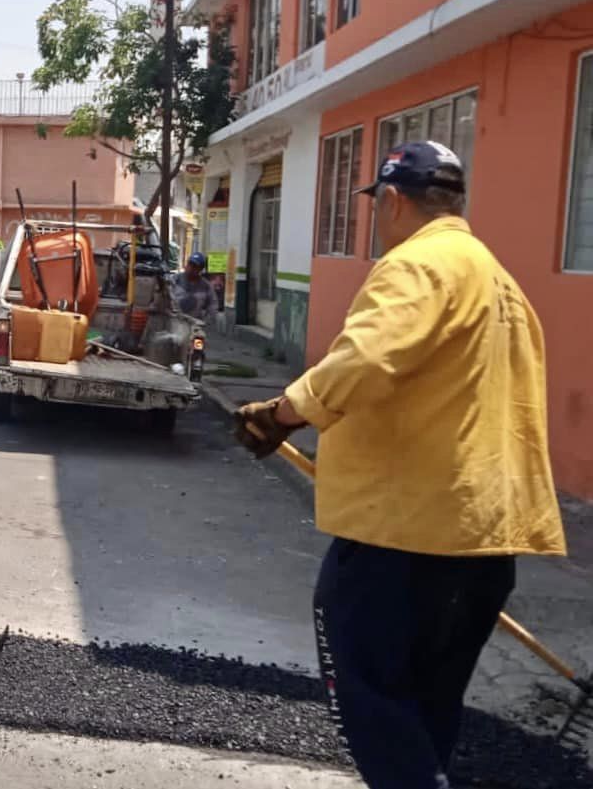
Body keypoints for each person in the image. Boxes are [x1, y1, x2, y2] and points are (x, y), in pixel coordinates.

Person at [234, 142, 566, 789]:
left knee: (370, 700)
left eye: (375, 208)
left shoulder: (415, 265)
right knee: (426, 707)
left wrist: (283, 412)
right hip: (482, 542)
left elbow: (366, 357)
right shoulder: (498, 281)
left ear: (390, 200)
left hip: (403, 537)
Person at [171, 252, 220, 323]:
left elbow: (213, 305)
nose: (191, 268)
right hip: (174, 322)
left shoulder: (206, 286)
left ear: (200, 269)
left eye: (195, 266)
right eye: (190, 264)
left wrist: (206, 321)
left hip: (194, 324)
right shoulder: (175, 280)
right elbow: (165, 297)